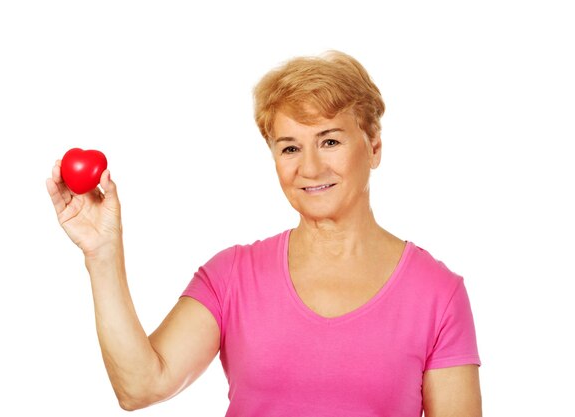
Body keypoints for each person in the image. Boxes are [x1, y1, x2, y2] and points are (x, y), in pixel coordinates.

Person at [46, 50, 482, 416]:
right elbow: (140, 386)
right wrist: (102, 254)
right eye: (290, 147)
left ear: (374, 147)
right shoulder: (231, 276)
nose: (309, 167)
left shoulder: (437, 294)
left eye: (329, 141)